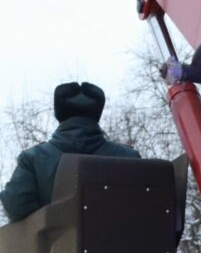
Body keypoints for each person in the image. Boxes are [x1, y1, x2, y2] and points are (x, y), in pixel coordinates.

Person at [0, 81, 140, 221]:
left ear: (59, 115)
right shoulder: (129, 158)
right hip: (121, 242)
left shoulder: (33, 159)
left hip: (57, 243)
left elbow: (15, 207)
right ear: (97, 115)